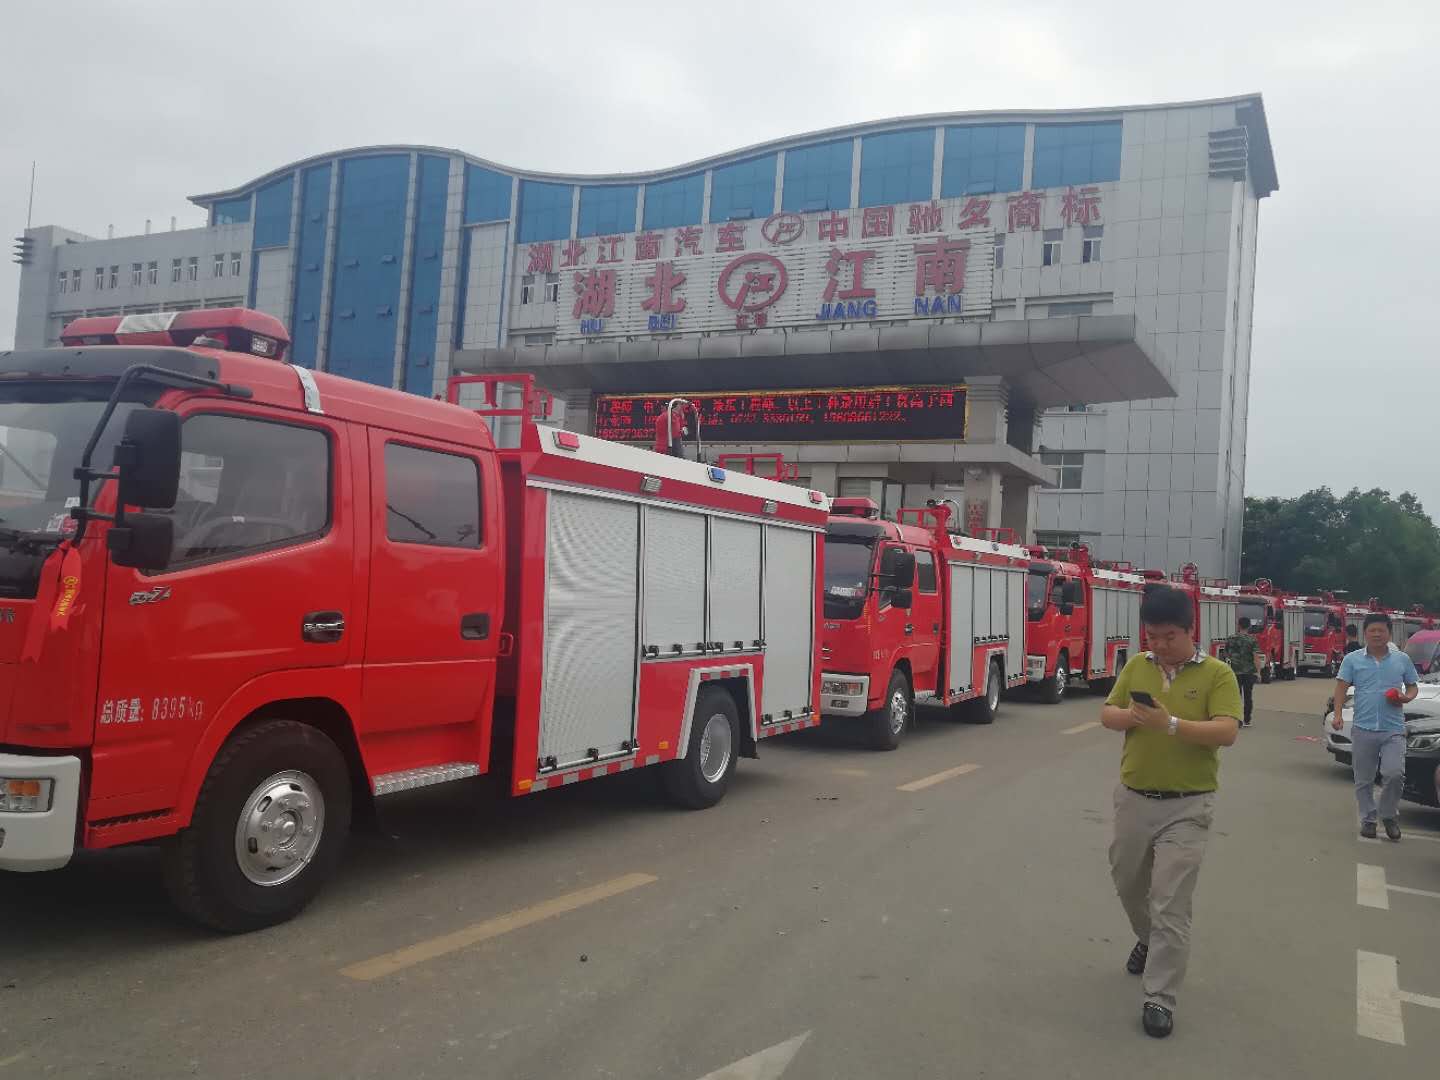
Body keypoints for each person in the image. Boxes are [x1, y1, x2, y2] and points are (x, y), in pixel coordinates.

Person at [1100, 585, 1241, 1039]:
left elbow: (1226, 732)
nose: (1158, 646)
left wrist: (1172, 724)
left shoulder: (1218, 674)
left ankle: (1159, 997)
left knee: (1171, 902)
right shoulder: (1138, 665)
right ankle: (1146, 937)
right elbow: (1108, 713)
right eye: (1152, 636)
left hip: (1188, 805)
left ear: (1189, 630)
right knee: (1127, 882)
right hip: (1134, 797)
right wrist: (1131, 718)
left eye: (1168, 637)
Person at [1333, 613, 1418, 841]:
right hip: (1363, 728)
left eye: (1381, 630)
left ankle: (1389, 814)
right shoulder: (1352, 659)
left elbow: (1412, 686)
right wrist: (1338, 714)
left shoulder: (1401, 659)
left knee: (1394, 774)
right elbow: (1341, 688)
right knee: (1364, 779)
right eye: (1373, 631)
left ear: (1389, 632)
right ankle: (1368, 820)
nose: (1377, 634)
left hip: (1393, 729)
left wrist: (1405, 697)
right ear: (1365, 634)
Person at [1222, 616, 1260, 727]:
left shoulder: (1231, 638)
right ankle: (1247, 719)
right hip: (1249, 672)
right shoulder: (1252, 640)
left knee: (1236, 697)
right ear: (1249, 626)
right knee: (1248, 696)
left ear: (1238, 625)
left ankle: (1237, 720)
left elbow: (1225, 655)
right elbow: (1256, 657)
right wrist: (1258, 672)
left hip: (1234, 672)